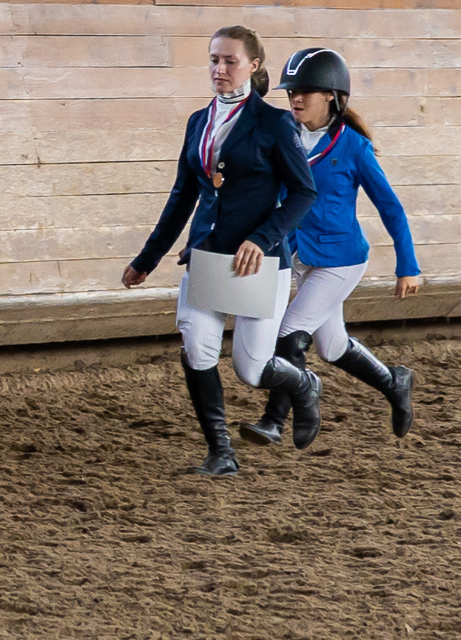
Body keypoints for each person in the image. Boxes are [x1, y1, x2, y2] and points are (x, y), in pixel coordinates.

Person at [123, 26, 321, 475]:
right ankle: (221, 452)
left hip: (257, 261)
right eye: (214, 59)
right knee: (196, 347)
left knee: (251, 369)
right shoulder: (199, 121)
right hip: (209, 255)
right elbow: (182, 197)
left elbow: (303, 192)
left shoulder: (274, 123)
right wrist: (147, 259)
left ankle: (304, 384)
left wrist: (262, 238)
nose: (220, 68)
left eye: (231, 61)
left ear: (253, 65)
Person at [251, 48, 416, 443]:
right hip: (300, 254)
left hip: (341, 260)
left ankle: (274, 421)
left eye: (304, 91)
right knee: (332, 345)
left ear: (331, 95)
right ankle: (394, 382)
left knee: (290, 332)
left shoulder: (353, 147)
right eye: (291, 91)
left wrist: (407, 265)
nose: (295, 98)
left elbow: (391, 208)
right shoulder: (284, 135)